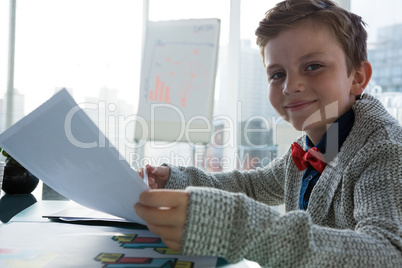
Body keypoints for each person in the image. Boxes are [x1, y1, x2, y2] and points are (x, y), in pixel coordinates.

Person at [134, 0, 402, 267]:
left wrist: (238, 227)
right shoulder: (314, 146)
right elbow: (251, 186)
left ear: (357, 77)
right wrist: (176, 180)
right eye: (277, 74)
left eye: (313, 66)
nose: (291, 86)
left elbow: (388, 255)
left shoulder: (385, 150)